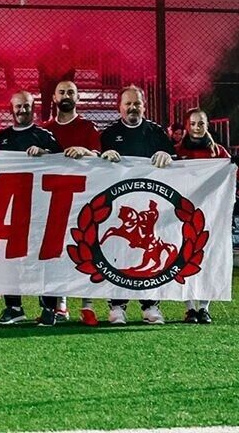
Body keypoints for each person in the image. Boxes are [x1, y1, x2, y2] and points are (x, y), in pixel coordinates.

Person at [99, 85, 175, 326]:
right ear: (119, 107)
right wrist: (103, 157)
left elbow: (177, 165)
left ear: (144, 106)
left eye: (137, 103)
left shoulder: (156, 132)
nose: (133, 107)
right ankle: (117, 306)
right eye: (128, 103)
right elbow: (93, 167)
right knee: (118, 252)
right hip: (120, 205)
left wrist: (168, 157)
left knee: (149, 252)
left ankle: (150, 305)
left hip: (149, 203)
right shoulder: (108, 134)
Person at [0, 91, 62, 326]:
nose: (22, 110)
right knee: (9, 257)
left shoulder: (44, 136)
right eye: (18, 106)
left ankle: (49, 308)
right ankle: (13, 307)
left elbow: (63, 164)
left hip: (40, 207)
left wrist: (45, 155)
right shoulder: (1, 138)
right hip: (10, 206)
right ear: (11, 109)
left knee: (44, 256)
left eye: (27, 106)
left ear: (34, 108)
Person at [41, 79, 101, 325]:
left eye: (71, 92)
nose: (66, 95)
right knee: (54, 251)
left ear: (77, 97)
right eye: (62, 92)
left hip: (83, 198)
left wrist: (84, 152)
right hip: (52, 200)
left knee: (86, 248)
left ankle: (87, 305)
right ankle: (59, 304)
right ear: (54, 98)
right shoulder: (44, 129)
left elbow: (99, 157)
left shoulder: (88, 127)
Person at [172, 108, 229, 325]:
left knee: (208, 257)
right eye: (193, 123)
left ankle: (204, 307)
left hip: (211, 212)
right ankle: (189, 308)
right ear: (187, 126)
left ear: (207, 125)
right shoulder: (177, 151)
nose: (197, 128)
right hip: (183, 214)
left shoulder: (218, 152)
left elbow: (234, 175)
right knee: (183, 256)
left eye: (201, 123)